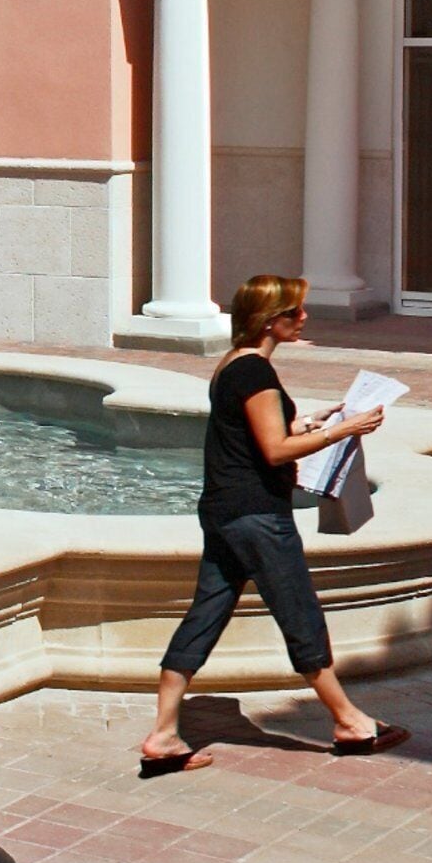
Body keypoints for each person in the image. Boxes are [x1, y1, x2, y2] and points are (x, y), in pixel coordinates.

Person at [139, 273, 402, 774]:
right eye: (294, 313)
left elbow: (254, 435)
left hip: (224, 510)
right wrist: (347, 428)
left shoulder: (232, 366)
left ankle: (164, 734)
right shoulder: (256, 374)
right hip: (257, 515)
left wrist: (312, 421)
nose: (303, 319)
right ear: (270, 321)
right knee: (298, 613)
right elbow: (275, 449)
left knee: (207, 613)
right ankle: (349, 722)